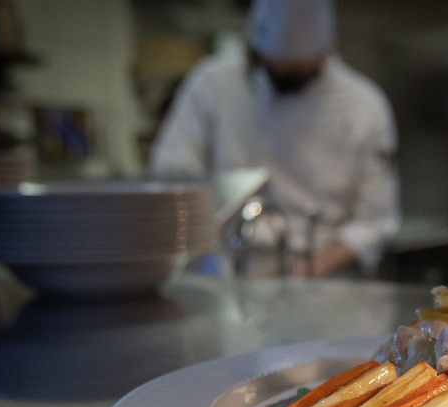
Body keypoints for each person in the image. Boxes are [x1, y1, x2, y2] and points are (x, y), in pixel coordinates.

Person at [150, 0, 400, 278]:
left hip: (327, 282)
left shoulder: (364, 104)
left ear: (330, 47)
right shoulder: (212, 84)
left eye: (298, 77)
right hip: (227, 270)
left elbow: (375, 221)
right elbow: (173, 174)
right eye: (272, 69)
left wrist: (303, 270)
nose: (280, 84)